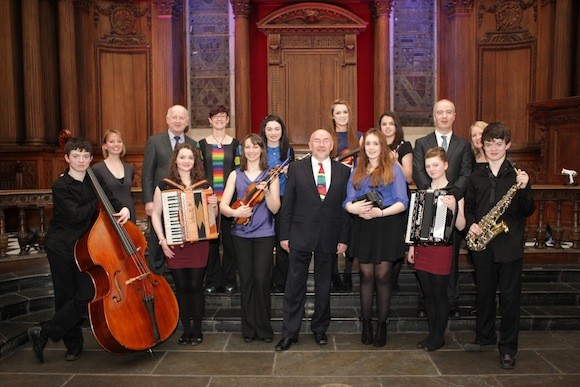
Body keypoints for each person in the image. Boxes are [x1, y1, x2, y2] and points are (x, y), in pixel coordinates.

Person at [28, 138, 130, 363]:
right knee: (65, 296)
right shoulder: (60, 185)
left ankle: (44, 332)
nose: (81, 160)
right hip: (63, 247)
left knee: (87, 292)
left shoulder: (95, 180)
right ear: (66, 158)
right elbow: (77, 214)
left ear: (91, 158)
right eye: (76, 156)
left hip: (88, 248)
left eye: (85, 156)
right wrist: (98, 200)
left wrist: (124, 209)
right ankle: (73, 345)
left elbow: (112, 201)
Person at [463, 122, 534, 370]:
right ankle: (484, 338)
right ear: (482, 144)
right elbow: (469, 208)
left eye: (498, 144)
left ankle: (508, 348)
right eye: (489, 143)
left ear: (508, 145)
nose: (493, 148)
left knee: (510, 298)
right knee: (484, 293)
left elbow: (527, 210)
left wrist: (524, 190)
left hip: (509, 244)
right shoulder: (475, 176)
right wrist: (471, 224)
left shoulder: (519, 176)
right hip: (483, 244)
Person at [275, 129, 351, 351]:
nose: (321, 144)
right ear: (309, 144)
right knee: (294, 286)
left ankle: (320, 329)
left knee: (323, 285)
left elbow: (345, 208)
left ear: (331, 145)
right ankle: (290, 333)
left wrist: (344, 238)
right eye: (316, 140)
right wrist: (284, 235)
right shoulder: (296, 169)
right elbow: (287, 204)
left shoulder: (342, 171)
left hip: (329, 236)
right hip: (299, 235)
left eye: (325, 140)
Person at [343, 129, 408, 347]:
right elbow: (347, 200)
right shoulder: (357, 169)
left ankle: (382, 323)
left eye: (375, 144)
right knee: (365, 275)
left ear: (382, 146)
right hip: (364, 225)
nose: (371, 148)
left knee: (382, 276)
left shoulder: (394, 170)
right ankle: (367, 323)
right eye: (368, 144)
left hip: (385, 224)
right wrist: (355, 209)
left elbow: (402, 202)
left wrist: (380, 212)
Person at [150, 143, 215, 346]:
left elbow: (211, 220)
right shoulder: (164, 185)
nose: (186, 161)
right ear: (175, 160)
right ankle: (185, 329)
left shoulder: (203, 185)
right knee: (182, 287)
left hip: (198, 245)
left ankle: (197, 330)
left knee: (196, 286)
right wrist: (162, 241)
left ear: (195, 161)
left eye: (190, 158)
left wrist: (214, 207)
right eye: (182, 157)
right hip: (175, 245)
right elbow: (155, 214)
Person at [412, 99, 472, 318]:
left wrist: (451, 196)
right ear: (434, 116)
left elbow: (466, 174)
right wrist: (433, 197)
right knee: (425, 257)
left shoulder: (463, 145)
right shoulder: (421, 142)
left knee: (451, 259)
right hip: (429, 207)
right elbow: (419, 171)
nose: (444, 116)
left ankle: (451, 302)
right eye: (440, 112)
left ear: (454, 115)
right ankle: (424, 303)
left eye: (448, 112)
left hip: (453, 206)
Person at [220, 134, 281, 343]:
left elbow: (275, 208)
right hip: (241, 235)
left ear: (262, 150)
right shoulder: (235, 175)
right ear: (242, 151)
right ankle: (248, 329)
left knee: (262, 280)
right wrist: (236, 214)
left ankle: (264, 328)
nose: (252, 150)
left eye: (256, 147)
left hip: (264, 234)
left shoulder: (270, 175)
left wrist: (268, 193)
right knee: (245, 280)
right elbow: (223, 206)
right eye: (248, 147)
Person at [407, 147, 466, 351]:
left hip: (442, 249)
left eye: (436, 165)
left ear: (445, 165)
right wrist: (412, 247)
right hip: (423, 248)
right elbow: (416, 223)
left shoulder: (455, 192)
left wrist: (453, 208)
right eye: (428, 166)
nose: (432, 169)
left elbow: (461, 225)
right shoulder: (423, 191)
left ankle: (438, 337)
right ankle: (432, 334)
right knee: (428, 294)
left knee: (440, 294)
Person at [142, 105, 197, 274]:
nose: (178, 121)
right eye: (174, 117)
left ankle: (178, 272)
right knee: (157, 241)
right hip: (160, 201)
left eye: (182, 118)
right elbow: (147, 173)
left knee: (182, 238)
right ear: (167, 119)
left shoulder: (193, 144)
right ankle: (157, 277)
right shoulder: (155, 141)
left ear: (187, 122)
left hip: (184, 203)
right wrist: (149, 200)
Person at [197, 105, 241, 294]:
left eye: (223, 116)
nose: (220, 119)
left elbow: (239, 170)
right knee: (211, 243)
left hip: (229, 201)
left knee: (230, 243)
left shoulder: (235, 144)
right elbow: (198, 171)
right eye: (216, 116)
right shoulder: (202, 144)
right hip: (208, 200)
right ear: (210, 120)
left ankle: (229, 278)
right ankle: (213, 280)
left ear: (227, 119)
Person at [329, 99, 363, 292]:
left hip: (353, 188)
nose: (342, 116)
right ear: (332, 116)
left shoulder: (359, 137)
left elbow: (364, 163)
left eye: (345, 112)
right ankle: (334, 274)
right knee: (334, 230)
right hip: (333, 189)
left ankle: (348, 272)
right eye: (338, 112)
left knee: (350, 230)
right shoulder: (328, 137)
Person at [378, 111, 413, 293]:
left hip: (398, 200)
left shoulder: (404, 146)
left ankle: (392, 281)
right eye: (384, 124)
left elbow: (408, 177)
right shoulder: (375, 146)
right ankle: (382, 279)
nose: (388, 127)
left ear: (396, 126)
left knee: (397, 240)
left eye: (391, 124)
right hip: (379, 202)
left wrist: (395, 162)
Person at [259, 114, 295, 293]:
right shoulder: (258, 149)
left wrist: (289, 172)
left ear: (282, 131)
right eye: (269, 129)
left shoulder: (288, 150)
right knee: (265, 241)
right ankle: (267, 279)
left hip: (285, 200)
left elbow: (295, 179)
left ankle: (282, 281)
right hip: (262, 199)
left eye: (277, 129)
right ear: (264, 131)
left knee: (283, 241)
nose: (273, 133)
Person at [92, 129, 136, 222]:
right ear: (104, 146)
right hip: (110, 214)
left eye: (119, 141)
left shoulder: (129, 168)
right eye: (112, 141)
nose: (116, 144)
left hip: (129, 213)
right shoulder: (97, 169)